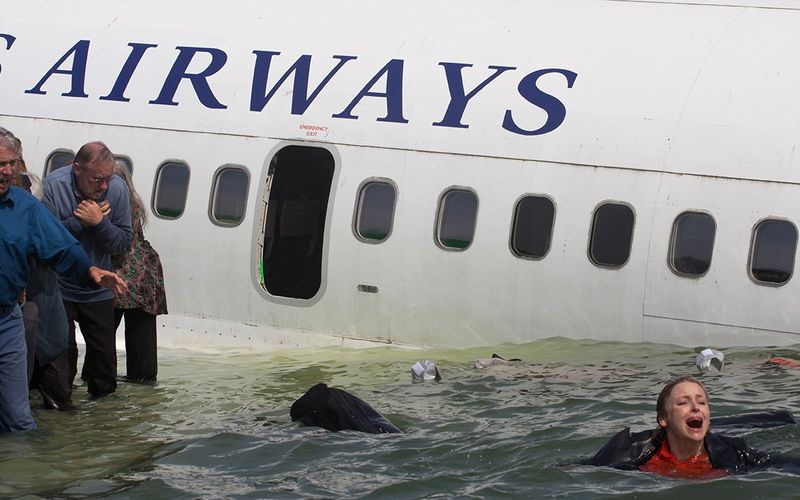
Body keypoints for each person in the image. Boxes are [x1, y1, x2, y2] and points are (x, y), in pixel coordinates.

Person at [0, 128, 127, 432]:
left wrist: (89, 270)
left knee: (19, 420)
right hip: (31, 308)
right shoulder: (54, 188)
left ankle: (28, 476)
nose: (6, 171)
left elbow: (59, 244)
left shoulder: (24, 206)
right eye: (0, 164)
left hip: (6, 320)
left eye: (11, 164)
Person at [43, 141, 132, 398]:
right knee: (62, 360)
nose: (103, 186)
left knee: (104, 368)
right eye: (96, 179)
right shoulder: (53, 186)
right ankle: (62, 419)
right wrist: (80, 222)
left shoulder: (116, 189)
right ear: (77, 169)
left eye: (107, 178)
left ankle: (102, 425)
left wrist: (100, 223)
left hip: (98, 288)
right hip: (60, 287)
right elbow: (47, 241)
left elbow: (122, 243)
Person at [584, 375, 784, 477]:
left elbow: (784, 466)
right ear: (663, 419)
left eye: (702, 402)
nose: (696, 407)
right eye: (683, 402)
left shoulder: (735, 452)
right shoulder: (627, 451)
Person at [111, 161, 167, 382]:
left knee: (101, 335)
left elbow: (114, 243)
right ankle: (142, 380)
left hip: (124, 273)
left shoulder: (115, 202)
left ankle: (99, 379)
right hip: (145, 273)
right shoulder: (134, 201)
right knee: (142, 345)